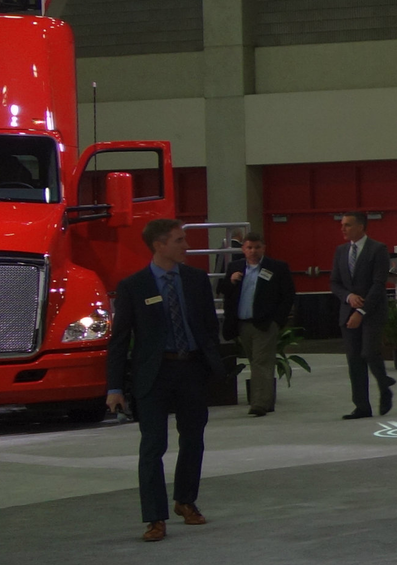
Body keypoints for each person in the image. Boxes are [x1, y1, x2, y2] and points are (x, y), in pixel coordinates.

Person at [105, 219, 226, 542]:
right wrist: (114, 387)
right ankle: (154, 518)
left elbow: (208, 327)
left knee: (193, 439)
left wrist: (212, 363)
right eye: (179, 240)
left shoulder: (196, 280)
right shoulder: (134, 286)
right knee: (153, 445)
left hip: (191, 370)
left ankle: (185, 500)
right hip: (154, 374)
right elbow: (119, 340)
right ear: (160, 245)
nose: (186, 245)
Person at [219, 230, 297, 417]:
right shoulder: (235, 267)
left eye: (257, 247)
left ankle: (259, 404)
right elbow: (222, 290)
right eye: (249, 247)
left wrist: (277, 321)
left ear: (263, 248)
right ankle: (266, 400)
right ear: (243, 249)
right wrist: (231, 281)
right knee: (255, 362)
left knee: (262, 361)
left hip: (265, 324)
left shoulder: (276, 267)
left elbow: (288, 295)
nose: (253, 251)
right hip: (242, 324)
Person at [331, 211, 393, 419]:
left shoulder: (378, 249)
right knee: (354, 361)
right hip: (347, 311)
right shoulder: (341, 251)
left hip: (372, 311)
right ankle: (362, 406)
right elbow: (335, 283)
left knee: (369, 352)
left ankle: (384, 386)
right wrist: (348, 297)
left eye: (347, 225)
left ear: (360, 227)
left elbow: (378, 284)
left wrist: (361, 310)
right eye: (342, 224)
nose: (343, 228)